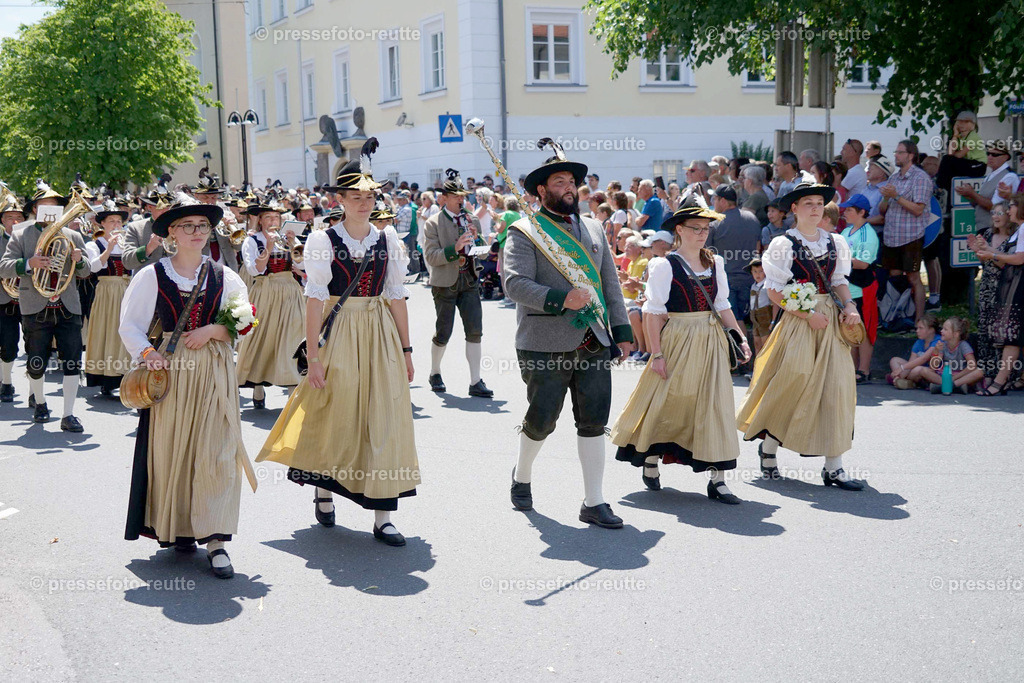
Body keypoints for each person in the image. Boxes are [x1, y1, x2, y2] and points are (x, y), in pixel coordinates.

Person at [256, 139, 420, 546]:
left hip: (379, 330)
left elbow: (396, 295)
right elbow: (314, 300)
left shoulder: (389, 241)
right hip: (339, 330)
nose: (364, 203)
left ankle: (383, 514)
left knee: (383, 414)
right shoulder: (322, 240)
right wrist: (313, 356)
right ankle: (324, 489)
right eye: (355, 196)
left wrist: (406, 349)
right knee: (334, 410)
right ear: (341, 200)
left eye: (369, 196)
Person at [119, 195, 255, 578]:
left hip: (214, 372)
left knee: (217, 450)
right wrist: (148, 354)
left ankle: (216, 540)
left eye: (202, 226)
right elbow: (129, 325)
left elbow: (244, 320)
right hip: (172, 375)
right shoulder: (152, 276)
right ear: (170, 235)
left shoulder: (225, 275)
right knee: (174, 451)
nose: (197, 232)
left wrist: (215, 328)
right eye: (187, 226)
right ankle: (180, 525)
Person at [502, 138, 634, 528]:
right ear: (541, 191)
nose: (568, 188)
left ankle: (594, 501)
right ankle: (522, 475)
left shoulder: (594, 228)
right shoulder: (526, 232)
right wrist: (563, 299)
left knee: (594, 420)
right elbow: (514, 284)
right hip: (543, 342)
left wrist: (623, 329)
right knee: (542, 419)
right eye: (558, 182)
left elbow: (610, 283)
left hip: (594, 337)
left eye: (571, 182)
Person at [611, 196, 750, 503]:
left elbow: (723, 304)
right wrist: (656, 354)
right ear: (679, 229)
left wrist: (740, 336)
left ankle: (719, 478)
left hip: (711, 339)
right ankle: (649, 454)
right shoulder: (664, 265)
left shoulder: (716, 262)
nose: (702, 233)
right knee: (668, 400)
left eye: (706, 228)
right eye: (695, 227)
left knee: (715, 403)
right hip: (679, 337)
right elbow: (652, 312)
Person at [736, 183, 865, 490]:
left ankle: (834, 467)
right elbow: (774, 291)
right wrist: (808, 315)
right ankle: (768, 448)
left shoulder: (835, 242)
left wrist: (850, 306)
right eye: (808, 203)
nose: (815, 208)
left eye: (819, 203)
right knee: (790, 384)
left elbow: (838, 281)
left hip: (830, 323)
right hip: (799, 321)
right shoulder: (783, 244)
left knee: (837, 389)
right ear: (794, 209)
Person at [0, 182, 92, 431]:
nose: (50, 210)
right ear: (35, 209)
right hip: (35, 305)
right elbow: (4, 266)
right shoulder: (21, 234)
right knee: (36, 360)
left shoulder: (73, 235)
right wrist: (29, 263)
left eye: (54, 206)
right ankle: (40, 402)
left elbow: (86, 272)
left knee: (72, 361)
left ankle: (69, 414)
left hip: (67, 305)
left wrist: (80, 260)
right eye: (44, 206)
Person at [421, 168, 493, 398]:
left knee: (475, 331)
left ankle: (475, 381)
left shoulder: (471, 219)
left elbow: (482, 253)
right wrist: (456, 249)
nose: (461, 200)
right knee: (444, 331)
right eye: (456, 196)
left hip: (469, 279)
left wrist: (478, 238)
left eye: (463, 196)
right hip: (444, 283)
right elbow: (431, 257)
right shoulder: (433, 223)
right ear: (444, 198)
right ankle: (435, 372)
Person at [236, 201, 304, 409]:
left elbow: (302, 264)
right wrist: (268, 248)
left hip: (290, 291)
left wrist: (293, 245)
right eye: (269, 218)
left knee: (293, 337)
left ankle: (293, 392)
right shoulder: (251, 241)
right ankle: (258, 386)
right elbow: (255, 270)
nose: (273, 222)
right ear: (260, 221)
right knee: (262, 338)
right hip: (265, 290)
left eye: (276, 218)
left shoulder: (289, 238)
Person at [971, 193, 1024, 396]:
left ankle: (999, 382)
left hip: (1018, 288)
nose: (1008, 210)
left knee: (1012, 337)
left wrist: (991, 254)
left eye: (1010, 206)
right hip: (1012, 285)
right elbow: (1004, 261)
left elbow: (1019, 259)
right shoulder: (1018, 231)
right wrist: (987, 249)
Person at [83, 201, 131, 396]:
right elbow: (93, 267)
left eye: (118, 221)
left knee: (126, 331)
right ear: (102, 224)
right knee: (107, 330)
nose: (116, 225)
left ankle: (126, 375)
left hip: (126, 288)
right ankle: (106, 378)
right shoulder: (93, 244)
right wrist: (109, 249)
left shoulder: (128, 241)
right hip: (107, 292)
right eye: (111, 221)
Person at [880, 140, 932, 321]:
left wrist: (896, 196)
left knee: (913, 278)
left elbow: (918, 209)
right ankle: (897, 317)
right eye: (896, 152)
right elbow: (882, 211)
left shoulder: (920, 178)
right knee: (894, 277)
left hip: (911, 236)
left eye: (900, 152)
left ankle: (919, 319)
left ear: (910, 156)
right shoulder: (894, 178)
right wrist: (886, 199)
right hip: (891, 236)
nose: (896, 155)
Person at [706, 185, 762, 324]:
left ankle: (743, 346)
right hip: (752, 280)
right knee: (756, 323)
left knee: (735, 322)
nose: (713, 202)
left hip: (727, 281)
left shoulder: (715, 223)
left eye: (715, 199)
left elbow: (707, 253)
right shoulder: (752, 218)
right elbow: (758, 248)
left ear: (723, 201)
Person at [839, 194, 880, 383]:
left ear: (862, 212)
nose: (845, 212)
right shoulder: (846, 232)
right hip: (848, 288)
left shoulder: (867, 233)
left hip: (863, 288)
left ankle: (864, 370)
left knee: (865, 329)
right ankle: (851, 369)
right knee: (851, 329)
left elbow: (863, 263)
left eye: (849, 209)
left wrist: (838, 259)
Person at [954, 140, 1019, 233]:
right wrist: (968, 195)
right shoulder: (990, 176)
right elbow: (981, 202)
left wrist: (972, 194)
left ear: (1005, 157)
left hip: (997, 230)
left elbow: (994, 206)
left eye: (995, 155)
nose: (990, 157)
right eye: (988, 153)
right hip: (986, 228)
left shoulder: (1009, 176)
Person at [910, 317, 984, 395]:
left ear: (956, 334)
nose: (941, 331)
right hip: (943, 376)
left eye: (945, 329)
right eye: (942, 329)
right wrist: (936, 351)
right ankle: (956, 387)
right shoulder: (943, 345)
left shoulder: (963, 346)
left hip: (959, 376)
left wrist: (953, 379)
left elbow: (972, 366)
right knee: (923, 370)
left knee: (979, 372)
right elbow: (932, 368)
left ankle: (946, 387)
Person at [0, 194, 26, 402]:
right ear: (2, 220)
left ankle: (36, 391)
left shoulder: (32, 239)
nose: (15, 221)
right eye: (10, 217)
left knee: (36, 346)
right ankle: (7, 382)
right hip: (5, 299)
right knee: (8, 346)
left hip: (30, 298)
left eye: (19, 217)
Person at [888, 314, 941, 389]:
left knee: (917, 369)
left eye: (921, 328)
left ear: (931, 330)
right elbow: (911, 361)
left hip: (930, 371)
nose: (917, 331)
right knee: (894, 360)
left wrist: (901, 368)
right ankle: (900, 380)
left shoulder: (938, 341)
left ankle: (902, 380)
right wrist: (900, 373)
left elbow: (924, 358)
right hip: (915, 371)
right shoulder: (919, 342)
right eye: (917, 328)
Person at [746, 257, 772, 354]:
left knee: (766, 343)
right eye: (755, 271)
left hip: (765, 317)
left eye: (761, 271)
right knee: (757, 343)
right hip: (755, 317)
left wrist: (772, 321)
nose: (758, 274)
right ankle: (757, 366)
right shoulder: (753, 286)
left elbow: (772, 302)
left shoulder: (767, 285)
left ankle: (767, 367)